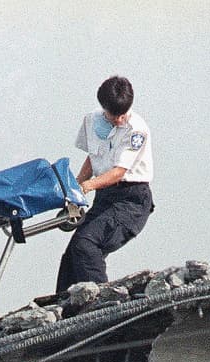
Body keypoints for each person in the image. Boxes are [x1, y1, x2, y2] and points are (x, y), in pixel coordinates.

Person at [56, 75, 154, 294]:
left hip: (131, 199)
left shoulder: (136, 130)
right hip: (105, 197)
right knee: (73, 253)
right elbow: (93, 157)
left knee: (87, 244)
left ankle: (102, 300)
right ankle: (64, 306)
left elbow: (119, 172)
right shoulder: (91, 121)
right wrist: (77, 186)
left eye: (122, 114)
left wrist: (88, 186)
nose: (119, 119)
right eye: (114, 114)